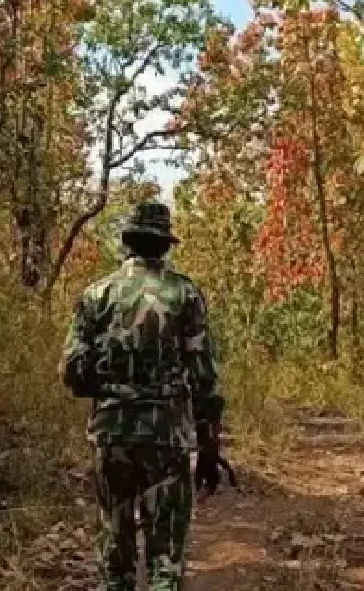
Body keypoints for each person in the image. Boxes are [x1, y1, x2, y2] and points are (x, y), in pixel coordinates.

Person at [60, 199, 225, 591]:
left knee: (115, 553)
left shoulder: (97, 295)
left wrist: (112, 385)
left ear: (128, 241)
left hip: (112, 435)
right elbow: (203, 379)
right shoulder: (184, 295)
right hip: (167, 439)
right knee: (165, 556)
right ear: (166, 245)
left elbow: (72, 373)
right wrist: (209, 447)